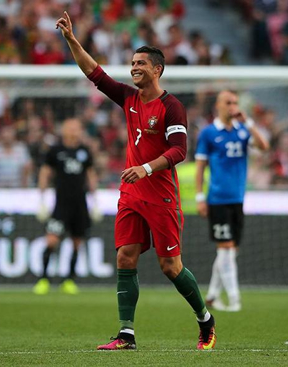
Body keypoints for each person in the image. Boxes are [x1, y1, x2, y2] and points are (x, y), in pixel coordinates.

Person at [56, 11, 216, 351]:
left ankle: (205, 319)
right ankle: (126, 335)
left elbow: (179, 151)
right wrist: (71, 39)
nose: (133, 67)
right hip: (130, 193)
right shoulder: (128, 98)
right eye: (131, 63)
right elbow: (93, 73)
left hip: (161, 196)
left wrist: (145, 168)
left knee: (170, 267)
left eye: (140, 63)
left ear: (157, 69)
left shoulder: (172, 107)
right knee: (125, 257)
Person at [195, 90, 269, 312]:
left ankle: (212, 295)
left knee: (230, 250)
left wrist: (249, 122)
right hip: (217, 199)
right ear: (218, 106)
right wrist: (200, 197)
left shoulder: (242, 131)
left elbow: (264, 146)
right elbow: (200, 167)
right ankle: (235, 299)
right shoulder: (208, 133)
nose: (233, 106)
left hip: (238, 198)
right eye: (228, 102)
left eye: (235, 102)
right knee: (225, 247)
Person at [33, 118, 98, 295]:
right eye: (71, 127)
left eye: (77, 128)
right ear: (64, 130)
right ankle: (44, 279)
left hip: (80, 203)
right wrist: (41, 199)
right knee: (52, 240)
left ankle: (69, 280)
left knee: (77, 242)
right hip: (61, 204)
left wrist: (95, 201)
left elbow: (90, 175)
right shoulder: (55, 150)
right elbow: (45, 172)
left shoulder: (84, 151)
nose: (74, 131)